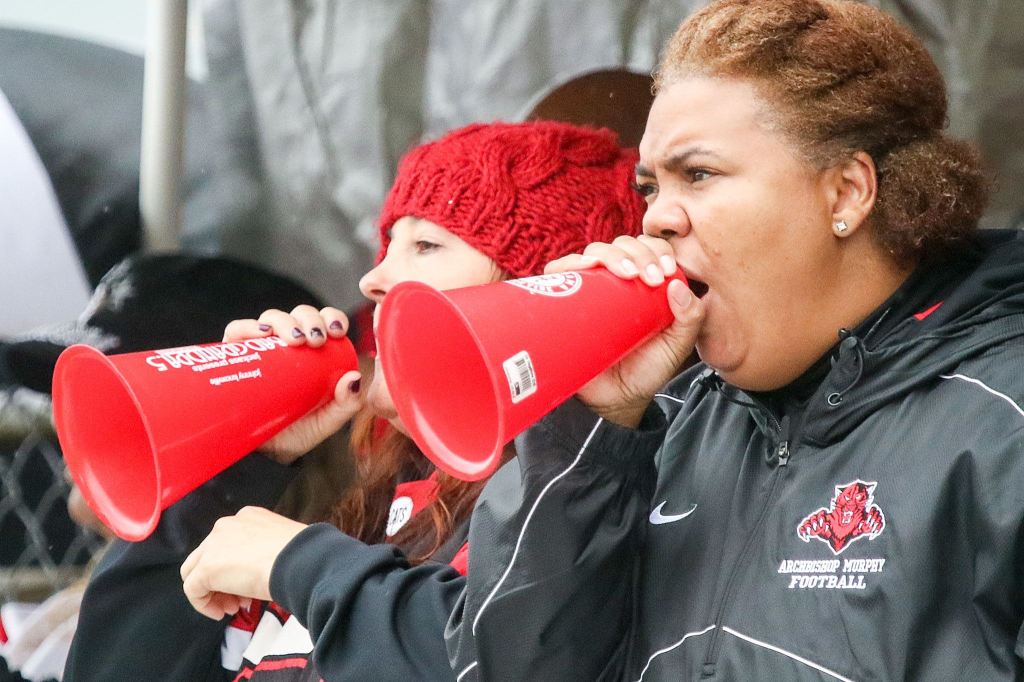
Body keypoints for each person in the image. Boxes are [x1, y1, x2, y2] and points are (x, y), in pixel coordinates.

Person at [438, 1, 1024, 680]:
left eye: (700, 175)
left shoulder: (1001, 420)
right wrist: (593, 434)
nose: (656, 216)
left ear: (846, 193)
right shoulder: (670, 425)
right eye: (650, 185)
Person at [63, 120, 646, 681]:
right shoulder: (374, 507)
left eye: (426, 245)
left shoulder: (565, 521)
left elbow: (487, 658)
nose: (373, 280)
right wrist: (236, 463)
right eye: (388, 245)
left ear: (536, 295)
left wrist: (298, 562)